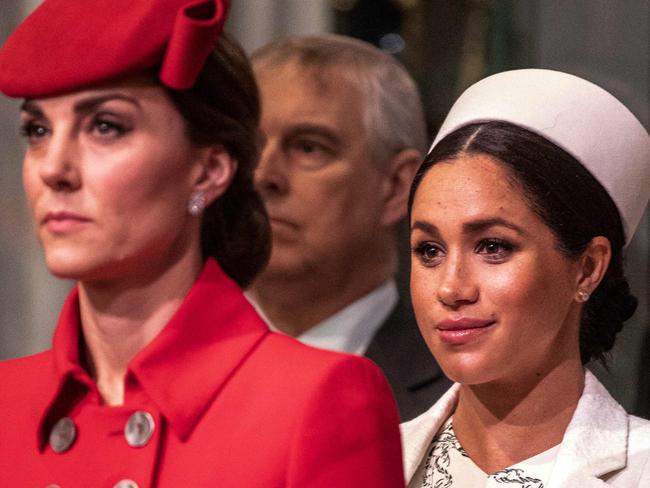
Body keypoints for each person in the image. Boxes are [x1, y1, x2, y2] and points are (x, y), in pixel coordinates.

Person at [0, 1, 405, 486]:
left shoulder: (316, 400)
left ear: (209, 170)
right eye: (37, 130)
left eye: (106, 126)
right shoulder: (7, 402)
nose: (53, 169)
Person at [401, 69, 650, 487]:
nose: (451, 288)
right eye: (430, 250)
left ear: (587, 267)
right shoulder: (362, 465)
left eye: (494, 247)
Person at [248, 35, 451, 421]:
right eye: (250, 146)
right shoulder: (153, 362)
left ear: (395, 186)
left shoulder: (462, 402)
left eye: (309, 147)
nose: (263, 175)